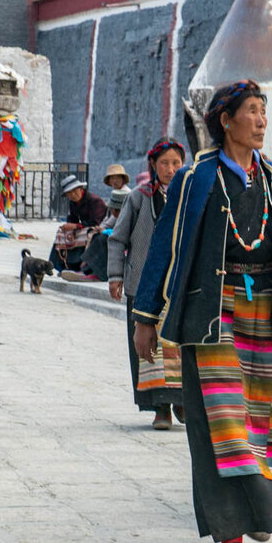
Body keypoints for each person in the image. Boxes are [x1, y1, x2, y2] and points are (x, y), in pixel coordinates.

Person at [132, 81, 272, 543]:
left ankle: (257, 503)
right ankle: (230, 536)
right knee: (222, 424)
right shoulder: (197, 179)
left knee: (266, 419)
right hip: (216, 314)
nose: (261, 121)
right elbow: (166, 248)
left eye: (263, 112)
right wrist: (146, 317)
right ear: (225, 120)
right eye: (252, 112)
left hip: (271, 315)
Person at [109, 138, 186, 429]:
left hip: (178, 285)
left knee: (178, 346)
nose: (170, 169)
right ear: (153, 165)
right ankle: (160, 408)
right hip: (143, 286)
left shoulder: (188, 196)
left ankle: (181, 401)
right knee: (147, 347)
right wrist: (116, 276)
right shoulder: (139, 197)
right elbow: (117, 239)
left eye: (176, 163)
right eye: (164, 163)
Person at [50, 174, 107, 273]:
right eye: (69, 193)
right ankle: (62, 265)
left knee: (89, 235)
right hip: (83, 228)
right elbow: (72, 218)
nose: (72, 195)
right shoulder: (73, 203)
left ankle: (82, 267)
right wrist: (70, 228)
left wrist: (76, 226)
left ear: (81, 189)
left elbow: (96, 221)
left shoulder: (95, 201)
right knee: (62, 235)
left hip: (98, 228)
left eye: (74, 191)